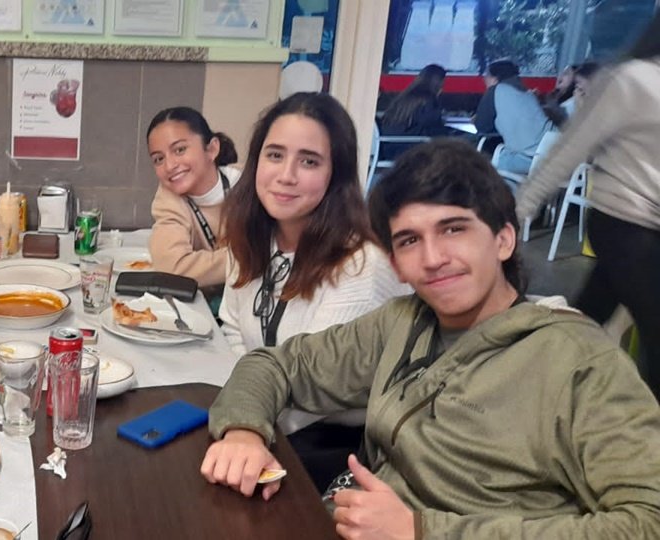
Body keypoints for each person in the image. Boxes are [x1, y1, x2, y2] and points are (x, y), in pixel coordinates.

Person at [202, 138, 660, 539]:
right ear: (396, 265)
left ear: (503, 240)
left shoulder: (580, 362)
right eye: (409, 240)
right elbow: (276, 365)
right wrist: (244, 431)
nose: (433, 257)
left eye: (453, 229)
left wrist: (422, 531)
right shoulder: (401, 323)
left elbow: (648, 522)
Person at [217, 93, 408, 487]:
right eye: (275, 155)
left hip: (335, 447)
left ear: (336, 175)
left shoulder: (361, 265)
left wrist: (245, 425)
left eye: (309, 161)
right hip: (259, 418)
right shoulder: (250, 237)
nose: (286, 175)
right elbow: (233, 329)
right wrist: (240, 409)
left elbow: (318, 390)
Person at [517, 15, 660, 398]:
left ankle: (536, 384)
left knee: (588, 316)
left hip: (646, 228)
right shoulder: (631, 80)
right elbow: (569, 149)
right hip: (625, 223)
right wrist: (515, 215)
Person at [146, 106, 240, 295]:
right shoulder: (169, 198)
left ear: (212, 149)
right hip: (206, 303)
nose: (169, 166)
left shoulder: (251, 186)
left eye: (180, 150)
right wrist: (245, 261)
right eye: (158, 159)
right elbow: (172, 268)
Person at [474, 59, 553, 174]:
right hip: (551, 154)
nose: (484, 79)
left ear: (495, 78)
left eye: (486, 76)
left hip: (527, 160)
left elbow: (482, 126)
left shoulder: (495, 90)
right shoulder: (528, 94)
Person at [380, 64, 451, 151]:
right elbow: (432, 123)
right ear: (438, 82)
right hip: (410, 147)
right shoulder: (427, 99)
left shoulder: (405, 97)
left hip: (389, 145)